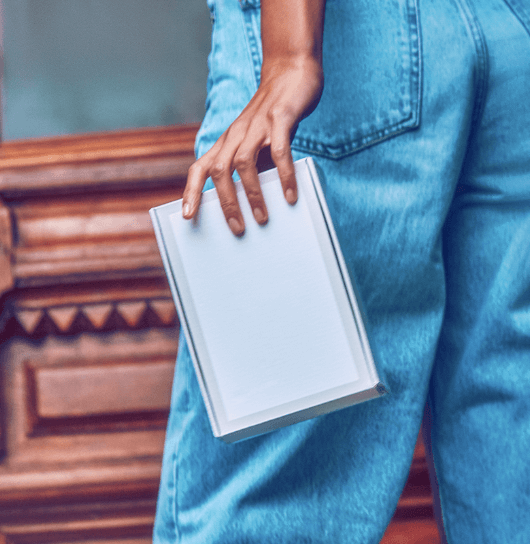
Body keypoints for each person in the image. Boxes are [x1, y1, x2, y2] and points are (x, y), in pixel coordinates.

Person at [154, 0, 530, 542]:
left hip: (355, 41)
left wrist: (290, 52)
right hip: (515, 39)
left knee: (278, 490)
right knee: (510, 443)